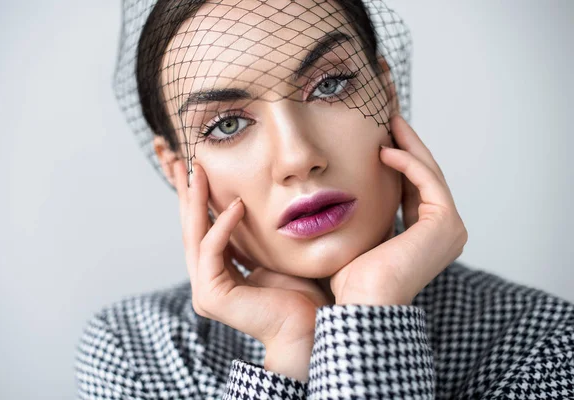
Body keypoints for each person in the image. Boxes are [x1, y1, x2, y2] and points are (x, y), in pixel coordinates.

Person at [75, 0, 574, 398]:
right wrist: (291, 346)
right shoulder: (137, 352)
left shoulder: (545, 345)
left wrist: (371, 307)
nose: (297, 157)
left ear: (386, 92)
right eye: (227, 124)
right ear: (177, 168)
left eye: (330, 85)